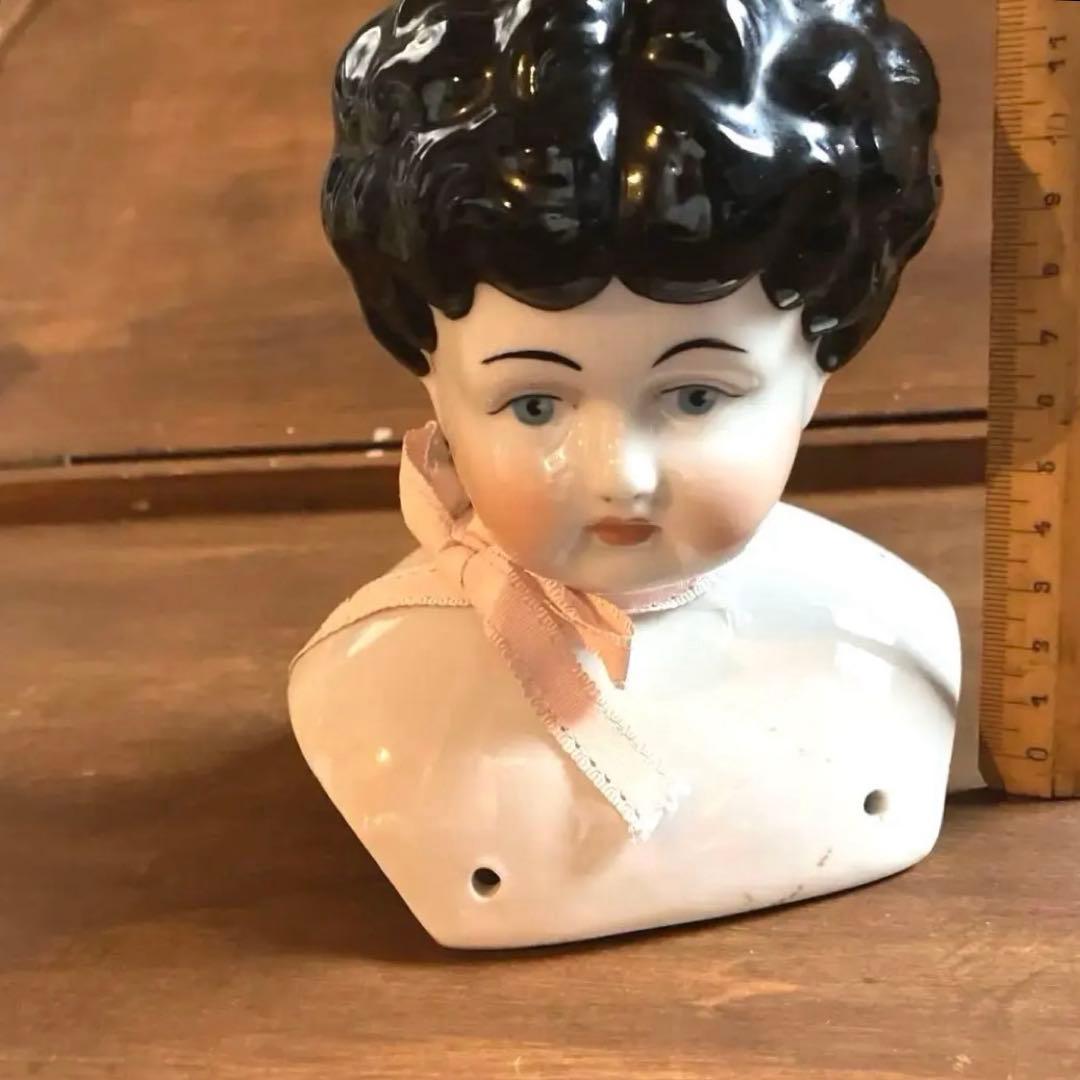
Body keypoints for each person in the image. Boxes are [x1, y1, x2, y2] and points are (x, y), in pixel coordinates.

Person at [289, 0, 961, 949]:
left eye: (695, 396)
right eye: (535, 405)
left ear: (821, 360)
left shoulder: (893, 639)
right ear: (432, 378)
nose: (620, 477)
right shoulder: (367, 691)